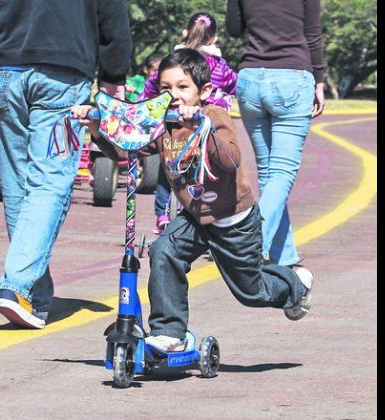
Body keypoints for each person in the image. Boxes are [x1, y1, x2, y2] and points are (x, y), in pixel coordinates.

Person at [72, 49, 313, 352]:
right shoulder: (161, 123)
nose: (174, 95)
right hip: (194, 218)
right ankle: (169, 331)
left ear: (205, 91)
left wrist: (202, 126)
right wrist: (94, 124)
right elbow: (125, 153)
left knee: (252, 292)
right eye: (166, 88)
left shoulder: (215, 116)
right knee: (163, 251)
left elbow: (229, 162)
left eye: (183, 87)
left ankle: (295, 284)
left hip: (232, 220)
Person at [0, 0, 132, 329]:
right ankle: (17, 286)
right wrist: (112, 75)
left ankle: (34, 297)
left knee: (16, 183)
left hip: (7, 72)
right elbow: (112, 13)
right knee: (49, 184)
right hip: (63, 77)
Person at [226, 0, 326, 266]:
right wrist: (320, 80)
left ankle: (285, 258)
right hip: (292, 77)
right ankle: (252, 244)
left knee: (270, 174)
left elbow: (234, 29)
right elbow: (312, 33)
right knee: (281, 172)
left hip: (250, 80)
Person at [142, 11, 239, 236]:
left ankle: (162, 215)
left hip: (173, 124)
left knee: (168, 169)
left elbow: (151, 86)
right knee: (207, 169)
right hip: (204, 127)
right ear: (213, 39)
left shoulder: (172, 62)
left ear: (185, 32)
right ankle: (208, 214)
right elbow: (235, 85)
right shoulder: (220, 65)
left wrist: (140, 105)